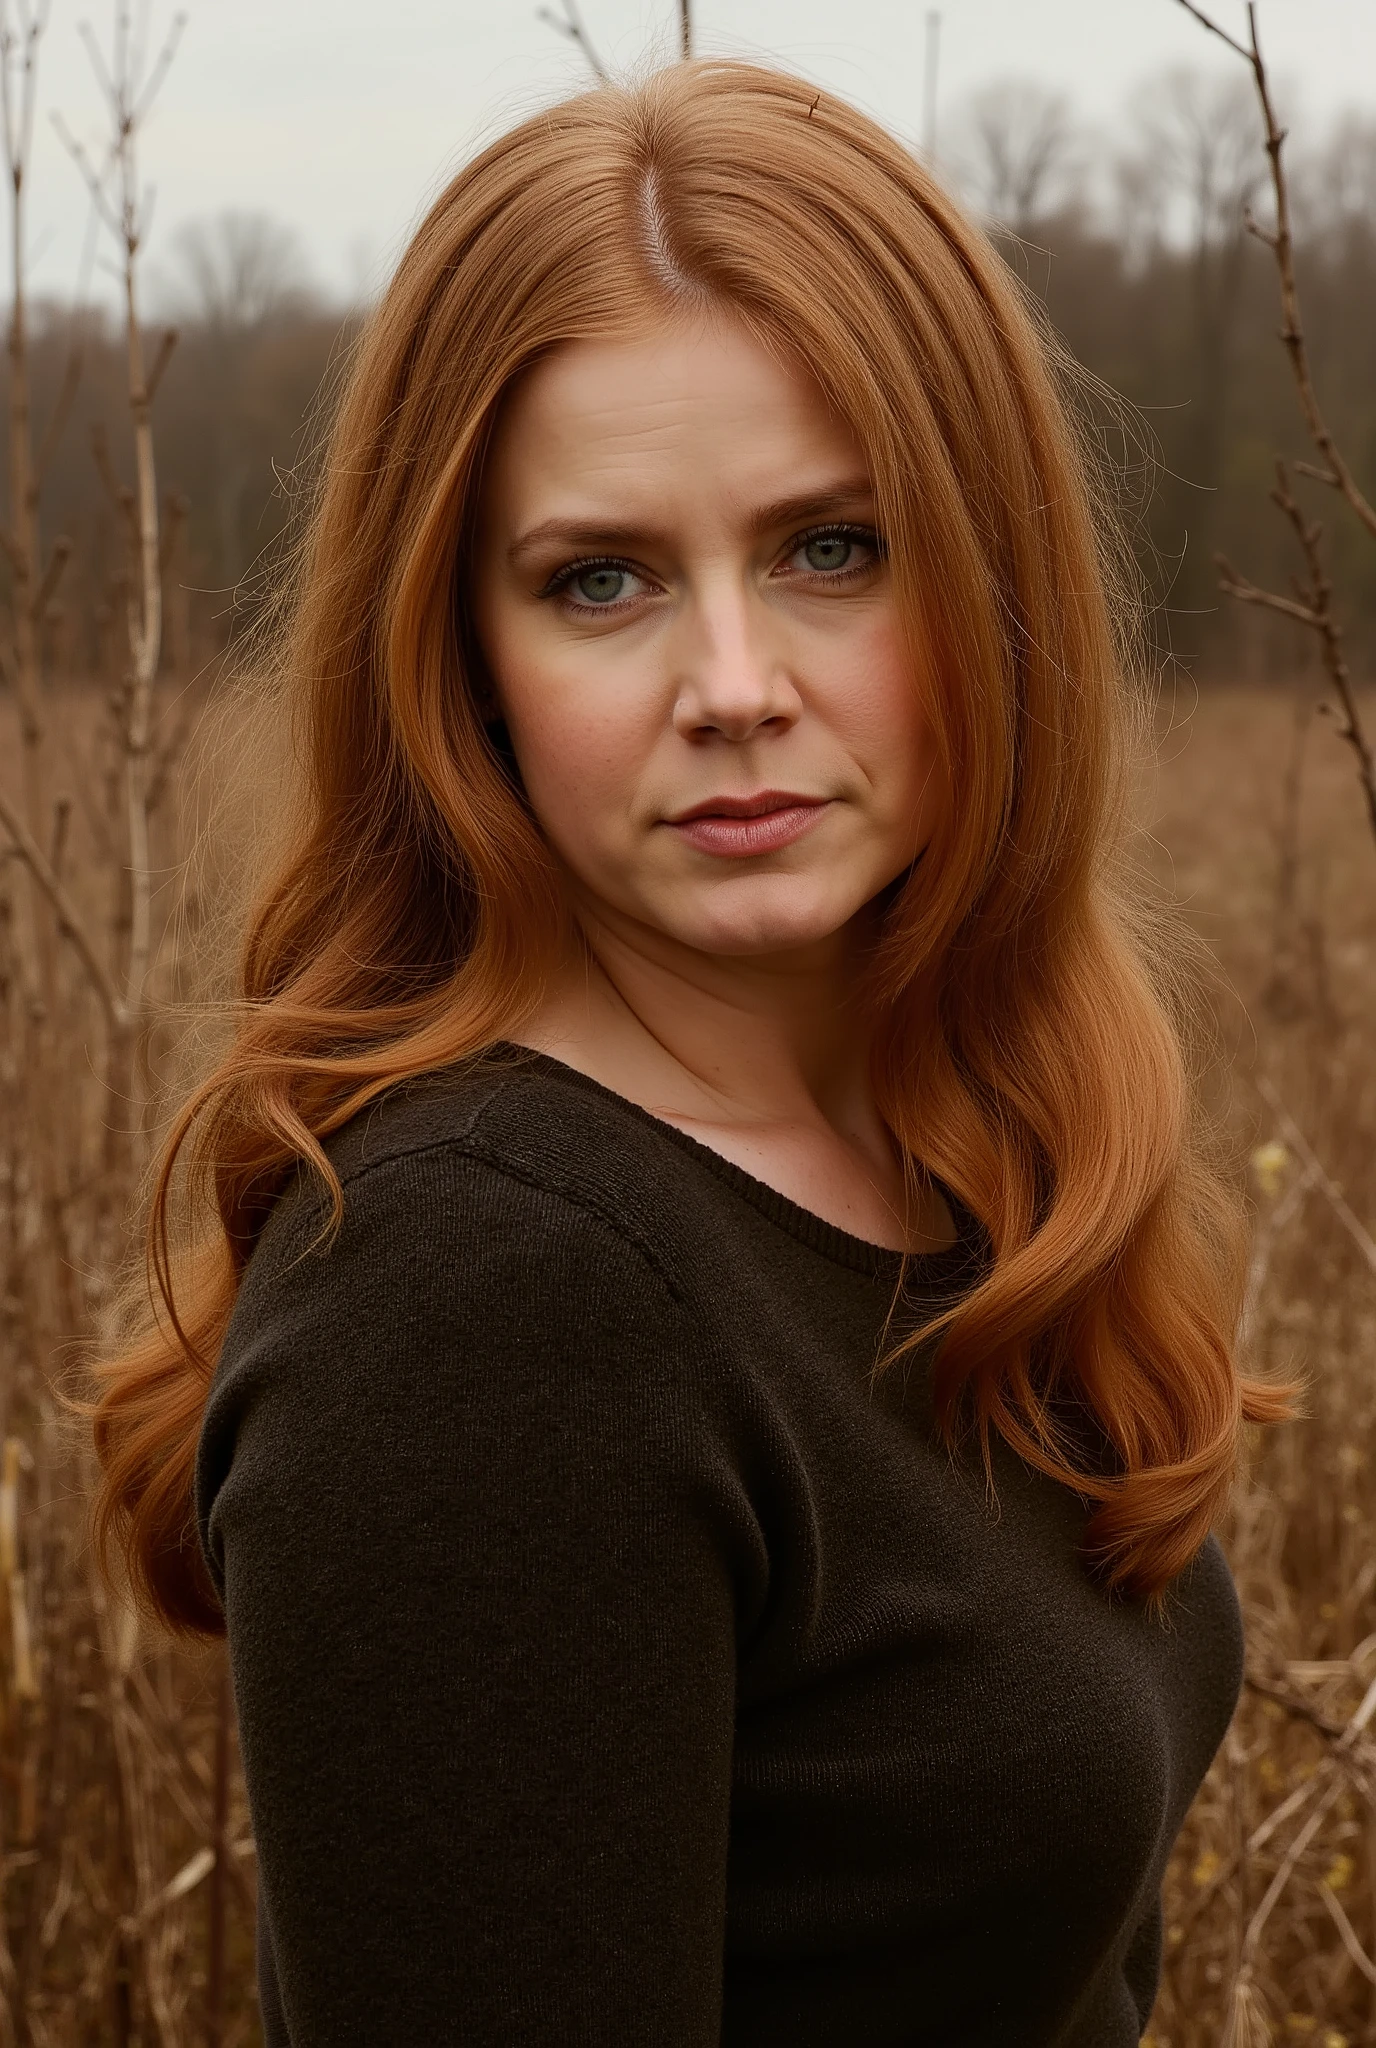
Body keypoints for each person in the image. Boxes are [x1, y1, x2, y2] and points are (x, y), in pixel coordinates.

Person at [90, 58, 1287, 2047]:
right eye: (602, 579)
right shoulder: (486, 1297)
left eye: (832, 548)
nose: (732, 687)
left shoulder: (950, 1147)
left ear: (991, 579)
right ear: (460, 659)